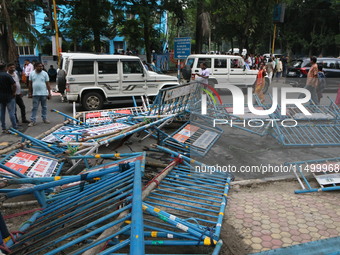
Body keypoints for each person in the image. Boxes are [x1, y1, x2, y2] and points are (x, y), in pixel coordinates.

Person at [28, 62, 52, 127]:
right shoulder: (32, 73)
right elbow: (30, 84)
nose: (40, 67)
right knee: (34, 107)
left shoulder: (45, 73)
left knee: (44, 107)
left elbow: (48, 84)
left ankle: (44, 118)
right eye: (39, 66)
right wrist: (30, 92)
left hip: (44, 93)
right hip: (35, 94)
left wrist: (49, 93)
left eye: (41, 66)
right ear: (35, 67)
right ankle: (33, 120)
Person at [0, 63, 19, 133]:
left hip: (1, 97)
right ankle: (15, 127)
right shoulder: (7, 75)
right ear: (5, 68)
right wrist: (14, 93)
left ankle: (3, 127)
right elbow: (14, 85)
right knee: (11, 112)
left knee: (2, 112)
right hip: (9, 96)